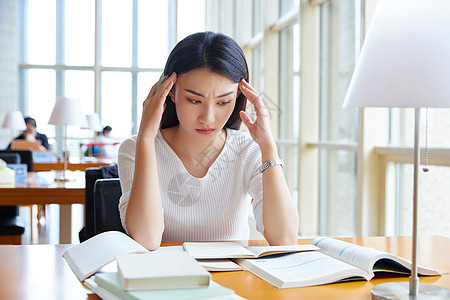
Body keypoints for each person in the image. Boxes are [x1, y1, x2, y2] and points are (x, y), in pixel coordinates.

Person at [118, 31, 299, 250]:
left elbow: (285, 239)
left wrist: (268, 146)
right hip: (165, 280)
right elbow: (146, 240)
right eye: (194, 100)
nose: (208, 118)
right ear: (170, 92)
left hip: (235, 281)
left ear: (239, 98)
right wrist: (146, 137)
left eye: (223, 102)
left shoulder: (248, 150)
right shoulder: (134, 148)